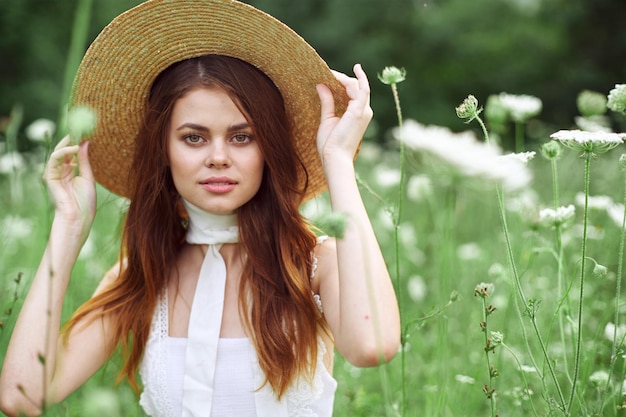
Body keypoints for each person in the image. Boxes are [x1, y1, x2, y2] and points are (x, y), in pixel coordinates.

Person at [0, 0, 401, 416]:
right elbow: (21, 397)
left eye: (242, 136)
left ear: (268, 150)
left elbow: (373, 345)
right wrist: (68, 227)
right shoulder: (141, 275)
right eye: (194, 137)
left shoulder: (317, 264)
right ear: (164, 151)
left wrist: (336, 160)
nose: (218, 157)